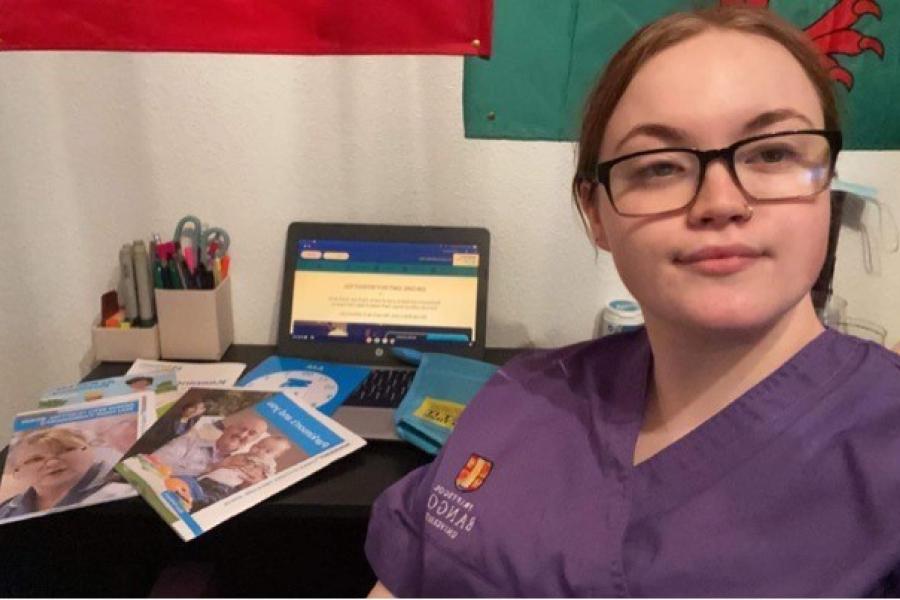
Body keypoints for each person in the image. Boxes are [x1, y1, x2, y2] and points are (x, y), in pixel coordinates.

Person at [364, 6, 900, 597]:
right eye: (661, 167)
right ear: (596, 214)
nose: (720, 202)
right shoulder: (523, 397)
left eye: (772, 154)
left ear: (828, 181)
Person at [0, 427, 126, 519]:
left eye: (65, 450)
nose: (52, 463)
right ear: (16, 471)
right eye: (36, 459)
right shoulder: (6, 511)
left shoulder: (125, 491)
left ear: (91, 450)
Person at [178, 435, 292, 512]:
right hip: (209, 479)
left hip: (227, 487)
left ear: (274, 457)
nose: (259, 450)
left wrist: (256, 480)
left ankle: (198, 501)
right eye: (258, 445)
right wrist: (217, 467)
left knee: (212, 499)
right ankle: (188, 492)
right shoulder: (241, 455)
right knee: (189, 482)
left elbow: (264, 484)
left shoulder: (268, 467)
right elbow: (219, 465)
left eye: (267, 451)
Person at [151, 411, 268, 477]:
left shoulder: (240, 468)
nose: (243, 435)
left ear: (252, 441)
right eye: (242, 428)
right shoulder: (188, 442)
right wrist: (211, 468)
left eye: (251, 434)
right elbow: (153, 464)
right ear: (229, 428)